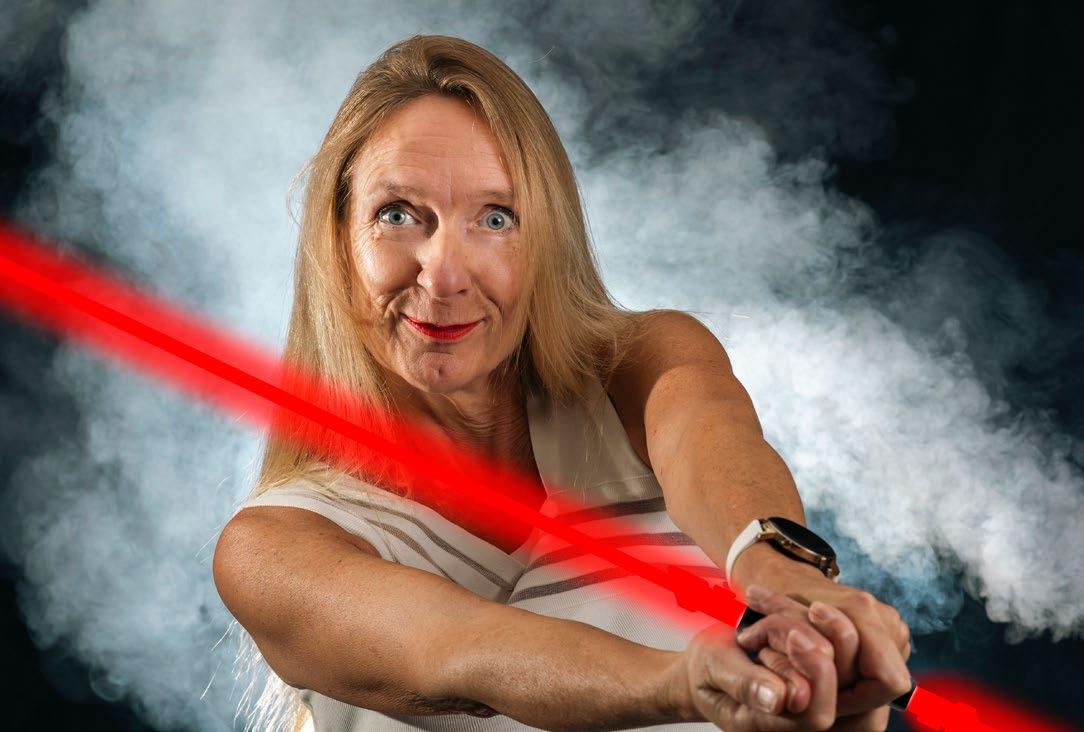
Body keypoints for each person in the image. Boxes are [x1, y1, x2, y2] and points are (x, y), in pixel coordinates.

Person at [212, 34, 912, 732]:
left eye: (496, 219)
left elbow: (708, 435)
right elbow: (463, 651)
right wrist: (685, 684)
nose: (445, 274)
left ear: (545, 241)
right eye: (397, 215)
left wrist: (789, 584)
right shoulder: (271, 552)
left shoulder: (638, 366)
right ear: (337, 240)